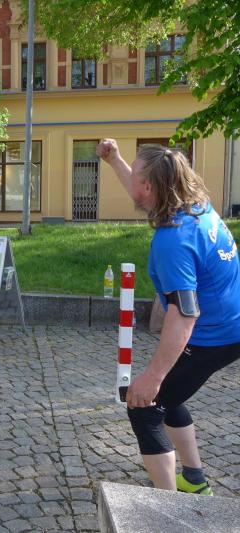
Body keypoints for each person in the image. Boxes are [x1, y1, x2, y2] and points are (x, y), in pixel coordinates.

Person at [96, 138, 240, 495]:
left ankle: (170, 512)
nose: (132, 181)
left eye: (136, 175)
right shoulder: (196, 207)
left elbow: (185, 314)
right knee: (169, 396)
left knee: (145, 405)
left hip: (214, 336)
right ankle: (194, 480)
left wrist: (152, 376)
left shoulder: (173, 240)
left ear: (150, 186)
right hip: (228, 324)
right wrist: (115, 161)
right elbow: (141, 189)